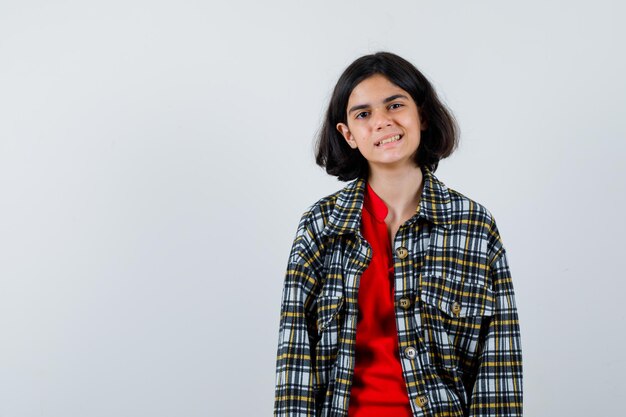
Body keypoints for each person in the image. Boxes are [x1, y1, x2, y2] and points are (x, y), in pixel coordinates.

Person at [273, 51, 523, 417]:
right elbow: (294, 359)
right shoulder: (320, 226)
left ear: (420, 114)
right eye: (363, 114)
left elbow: (498, 366)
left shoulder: (472, 224)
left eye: (394, 105)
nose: (382, 122)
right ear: (348, 135)